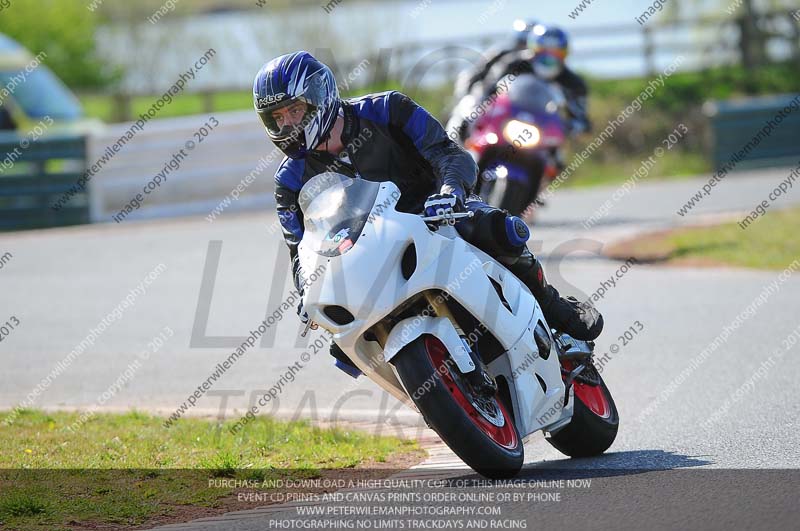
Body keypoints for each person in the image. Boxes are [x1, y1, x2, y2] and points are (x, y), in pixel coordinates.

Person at [253, 51, 602, 373]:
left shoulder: (387, 109)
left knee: (500, 230)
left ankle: (556, 310)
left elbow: (449, 154)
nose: (288, 125)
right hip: (368, 252)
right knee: (344, 350)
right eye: (277, 118)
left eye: (294, 110)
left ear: (319, 95)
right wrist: (306, 291)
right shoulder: (289, 179)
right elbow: (300, 249)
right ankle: (431, 390)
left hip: (434, 211)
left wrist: (451, 192)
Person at [486, 24, 591, 136]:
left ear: (565, 53)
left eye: (556, 52)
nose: (549, 56)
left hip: (546, 136)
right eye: (543, 50)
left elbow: (581, 118)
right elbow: (490, 92)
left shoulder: (573, 83)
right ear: (532, 48)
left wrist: (568, 126)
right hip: (508, 126)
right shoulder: (514, 64)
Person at [453, 18, 538, 100]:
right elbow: (477, 73)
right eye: (523, 42)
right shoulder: (502, 55)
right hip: (499, 104)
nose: (526, 47)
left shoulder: (544, 61)